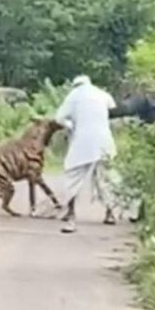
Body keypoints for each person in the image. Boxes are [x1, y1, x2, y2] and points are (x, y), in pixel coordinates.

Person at [54, 74, 117, 233]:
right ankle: (110, 213)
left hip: (82, 141)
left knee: (72, 176)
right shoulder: (102, 94)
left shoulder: (73, 96)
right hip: (105, 141)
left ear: (75, 85)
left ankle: (71, 217)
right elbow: (112, 108)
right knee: (106, 178)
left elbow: (59, 118)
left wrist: (71, 126)